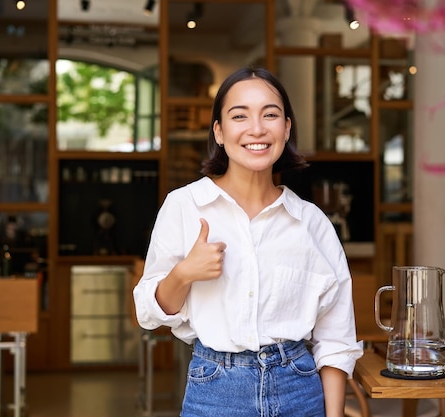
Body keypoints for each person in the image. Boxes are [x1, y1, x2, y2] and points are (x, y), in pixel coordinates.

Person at [133, 66, 363, 417]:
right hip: (214, 390)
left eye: (270, 115)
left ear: (286, 128)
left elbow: (336, 338)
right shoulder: (184, 207)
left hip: (299, 389)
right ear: (220, 132)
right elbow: (148, 314)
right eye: (239, 116)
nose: (256, 129)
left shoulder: (311, 222)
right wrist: (183, 274)